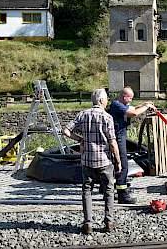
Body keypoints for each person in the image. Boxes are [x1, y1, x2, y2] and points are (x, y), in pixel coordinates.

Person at [63, 89, 121, 234]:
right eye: (106, 99)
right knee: (108, 191)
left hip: (87, 161)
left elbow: (66, 131)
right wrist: (118, 161)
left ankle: (88, 224)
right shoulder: (107, 117)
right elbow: (113, 143)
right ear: (101, 101)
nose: (107, 101)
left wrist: (80, 139)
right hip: (105, 161)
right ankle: (109, 222)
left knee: (87, 191)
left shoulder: (83, 114)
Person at [108, 86, 156, 204]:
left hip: (120, 136)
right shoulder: (116, 105)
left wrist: (144, 104)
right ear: (124, 97)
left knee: (117, 165)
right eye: (130, 98)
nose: (131, 100)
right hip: (117, 137)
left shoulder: (121, 104)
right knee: (123, 165)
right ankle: (122, 194)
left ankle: (111, 188)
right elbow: (133, 113)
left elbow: (133, 107)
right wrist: (146, 107)